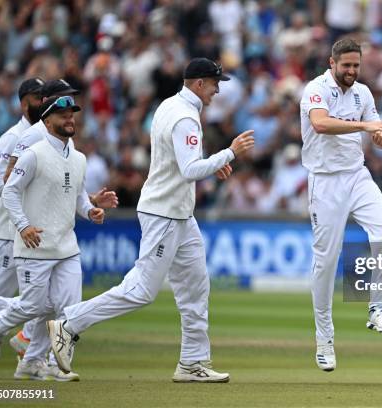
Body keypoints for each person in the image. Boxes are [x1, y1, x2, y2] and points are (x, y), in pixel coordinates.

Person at [47, 58, 255, 383]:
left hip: (179, 213)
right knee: (142, 289)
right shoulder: (186, 116)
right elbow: (189, 170)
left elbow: (180, 161)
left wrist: (213, 164)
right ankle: (69, 323)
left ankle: (192, 362)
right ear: (198, 83)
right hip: (164, 212)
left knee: (196, 287)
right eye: (215, 83)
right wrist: (230, 152)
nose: (217, 89)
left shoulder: (169, 106)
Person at [0, 95, 105, 382]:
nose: (69, 119)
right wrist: (23, 226)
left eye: (72, 114)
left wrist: (91, 211)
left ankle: (49, 363)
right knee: (34, 306)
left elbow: (77, 196)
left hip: (66, 247)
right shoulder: (33, 154)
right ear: (47, 121)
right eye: (62, 115)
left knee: (69, 308)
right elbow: (9, 191)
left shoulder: (79, 158)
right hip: (34, 247)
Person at [299, 38, 382, 372]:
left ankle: (379, 308)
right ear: (332, 63)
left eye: (356, 66)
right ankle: (324, 339)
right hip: (325, 181)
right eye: (346, 66)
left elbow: (377, 134)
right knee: (326, 262)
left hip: (357, 176)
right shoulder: (316, 90)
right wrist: (366, 127)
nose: (352, 72)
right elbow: (320, 124)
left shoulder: (363, 93)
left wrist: (379, 137)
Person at [1, 79, 118, 360]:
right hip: (23, 230)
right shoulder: (31, 138)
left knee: (56, 305)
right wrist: (25, 222)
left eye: (72, 105)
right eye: (63, 102)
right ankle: (5, 330)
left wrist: (89, 205)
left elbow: (63, 187)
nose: (69, 112)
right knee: (32, 304)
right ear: (47, 105)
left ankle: (36, 356)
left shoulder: (70, 145)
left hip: (56, 236)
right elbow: (8, 182)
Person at [0, 78, 45, 381]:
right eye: (36, 98)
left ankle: (27, 346)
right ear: (24, 103)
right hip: (11, 230)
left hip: (33, 232)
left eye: (44, 97)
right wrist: (25, 186)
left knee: (41, 295)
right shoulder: (12, 137)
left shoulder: (46, 136)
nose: (42, 103)